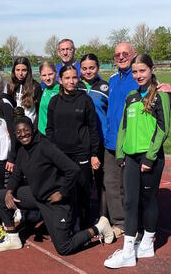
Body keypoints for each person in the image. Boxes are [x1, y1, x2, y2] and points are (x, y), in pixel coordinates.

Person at [0, 113, 114, 253]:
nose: (23, 134)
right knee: (0, 197)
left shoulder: (45, 146)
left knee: (64, 248)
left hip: (54, 201)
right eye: (18, 132)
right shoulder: (21, 150)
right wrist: (9, 191)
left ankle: (100, 227)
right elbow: (16, 174)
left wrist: (62, 192)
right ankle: (13, 238)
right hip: (36, 196)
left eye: (26, 130)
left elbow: (73, 169)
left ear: (33, 129)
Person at [104, 54, 171, 268]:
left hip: (149, 157)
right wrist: (122, 154)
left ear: (151, 70)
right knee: (130, 202)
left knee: (148, 200)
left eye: (142, 70)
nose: (138, 75)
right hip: (131, 157)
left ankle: (147, 244)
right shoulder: (132, 96)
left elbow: (163, 128)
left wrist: (150, 158)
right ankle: (128, 251)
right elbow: (123, 126)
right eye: (134, 71)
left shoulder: (161, 95)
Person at [46, 65, 100, 230]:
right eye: (67, 78)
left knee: (83, 189)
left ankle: (84, 225)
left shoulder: (85, 100)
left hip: (81, 153)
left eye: (74, 77)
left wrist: (94, 154)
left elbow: (93, 129)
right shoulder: (54, 101)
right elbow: (50, 129)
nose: (71, 81)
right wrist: (52, 152)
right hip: (61, 155)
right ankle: (67, 222)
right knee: (65, 189)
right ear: (60, 80)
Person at [77, 54, 109, 218]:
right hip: (81, 143)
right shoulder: (76, 85)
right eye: (84, 68)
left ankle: (103, 216)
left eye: (92, 68)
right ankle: (84, 215)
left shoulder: (105, 87)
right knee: (83, 180)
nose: (88, 71)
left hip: (100, 141)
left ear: (98, 68)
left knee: (101, 180)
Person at [5, 57, 42, 123]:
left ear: (28, 71)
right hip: (15, 126)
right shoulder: (11, 85)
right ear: (14, 70)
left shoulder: (36, 86)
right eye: (17, 70)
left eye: (24, 70)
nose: (20, 73)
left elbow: (40, 111)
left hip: (30, 127)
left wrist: (35, 128)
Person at [37, 61, 60, 135]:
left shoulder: (61, 90)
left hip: (54, 134)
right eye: (44, 75)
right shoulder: (44, 89)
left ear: (56, 73)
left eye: (50, 74)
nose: (47, 78)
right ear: (40, 76)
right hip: (41, 132)